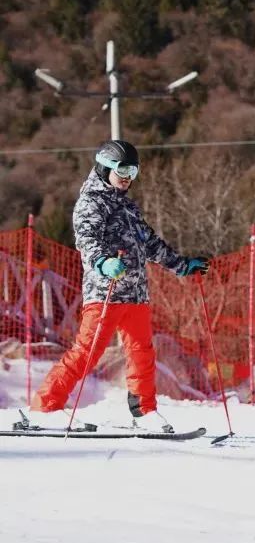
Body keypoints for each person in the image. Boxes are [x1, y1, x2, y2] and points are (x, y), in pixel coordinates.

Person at [30, 141, 208, 432]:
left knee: (142, 354)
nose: (127, 177)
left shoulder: (126, 205)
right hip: (105, 293)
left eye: (133, 171)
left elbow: (150, 243)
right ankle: (45, 407)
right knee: (87, 352)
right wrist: (102, 262)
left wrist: (182, 265)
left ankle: (145, 413)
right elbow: (86, 240)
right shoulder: (91, 202)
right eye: (122, 170)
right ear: (105, 167)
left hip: (136, 295)